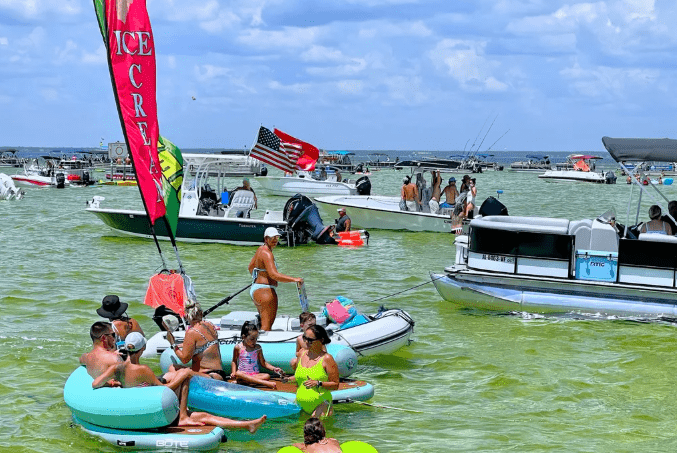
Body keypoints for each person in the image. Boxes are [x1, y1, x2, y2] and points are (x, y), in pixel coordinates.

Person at [92, 333, 266, 433]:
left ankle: (247, 424)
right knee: (187, 382)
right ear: (143, 348)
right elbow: (164, 390)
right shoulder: (143, 369)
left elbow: (95, 384)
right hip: (157, 411)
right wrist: (184, 376)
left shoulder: (117, 368)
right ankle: (183, 417)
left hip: (142, 410)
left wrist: (112, 384)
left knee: (203, 415)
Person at [248, 227, 304, 331]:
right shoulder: (267, 254)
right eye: (271, 238)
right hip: (265, 292)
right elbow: (274, 275)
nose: (275, 240)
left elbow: (250, 267)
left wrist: (259, 277)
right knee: (266, 327)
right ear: (266, 239)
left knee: (262, 323)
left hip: (256, 290)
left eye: (276, 237)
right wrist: (294, 279)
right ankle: (261, 346)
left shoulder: (260, 249)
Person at [165, 300, 225, 380]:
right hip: (219, 374)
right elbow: (204, 344)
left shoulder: (192, 332)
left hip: (209, 377)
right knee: (174, 368)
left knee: (173, 369)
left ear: (186, 316)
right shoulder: (210, 325)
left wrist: (173, 344)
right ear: (201, 313)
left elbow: (184, 359)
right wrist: (185, 345)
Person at [292, 325, 339, 417]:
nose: (306, 342)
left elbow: (335, 385)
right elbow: (300, 377)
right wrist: (287, 379)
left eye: (310, 340)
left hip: (321, 405)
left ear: (321, 340)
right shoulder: (301, 353)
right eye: (304, 338)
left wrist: (318, 383)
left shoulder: (327, 358)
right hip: (301, 405)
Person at [231, 321, 283, 388]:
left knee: (267, 376)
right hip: (243, 374)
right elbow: (234, 361)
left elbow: (263, 363)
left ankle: (247, 382)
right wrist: (233, 372)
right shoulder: (238, 347)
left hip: (255, 375)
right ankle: (264, 383)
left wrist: (274, 369)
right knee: (238, 373)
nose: (254, 341)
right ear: (244, 337)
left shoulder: (258, 348)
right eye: (252, 339)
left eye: (256, 338)